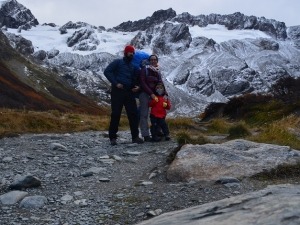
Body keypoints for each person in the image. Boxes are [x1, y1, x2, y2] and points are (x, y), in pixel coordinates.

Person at [104, 45, 144, 146]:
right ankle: (112, 137)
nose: (132, 54)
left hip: (129, 92)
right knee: (116, 114)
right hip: (117, 91)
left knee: (133, 114)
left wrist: (138, 87)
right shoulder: (117, 62)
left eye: (133, 53)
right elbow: (107, 72)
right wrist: (115, 83)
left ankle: (135, 137)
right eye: (130, 52)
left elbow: (138, 79)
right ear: (125, 53)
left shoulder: (133, 66)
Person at [139, 54, 167, 142]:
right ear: (149, 61)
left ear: (157, 61)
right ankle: (145, 135)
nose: (153, 61)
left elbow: (160, 84)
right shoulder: (145, 70)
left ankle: (157, 131)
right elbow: (142, 82)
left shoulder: (157, 72)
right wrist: (151, 93)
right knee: (144, 114)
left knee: (158, 113)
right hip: (145, 94)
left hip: (155, 95)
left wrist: (165, 94)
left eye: (155, 60)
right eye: (151, 60)